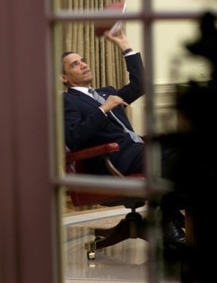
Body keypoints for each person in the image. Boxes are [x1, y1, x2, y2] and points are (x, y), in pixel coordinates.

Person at [61, 26, 187, 249]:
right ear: (63, 77)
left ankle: (169, 216)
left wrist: (124, 45)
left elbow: (140, 85)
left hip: (137, 150)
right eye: (75, 64)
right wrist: (103, 109)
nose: (84, 65)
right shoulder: (67, 101)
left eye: (83, 61)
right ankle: (169, 219)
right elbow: (72, 137)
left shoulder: (106, 92)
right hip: (115, 160)